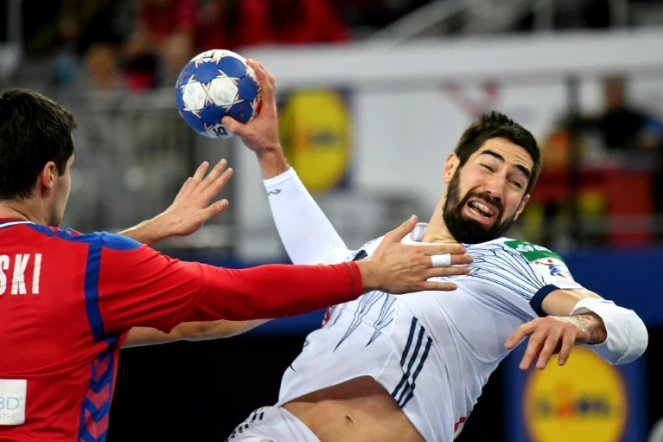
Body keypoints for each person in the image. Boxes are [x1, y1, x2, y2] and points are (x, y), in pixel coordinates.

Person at [136, 60, 647, 442]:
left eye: (516, 181)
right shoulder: (386, 249)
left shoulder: (517, 262)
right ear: (452, 168)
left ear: (524, 202)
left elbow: (630, 329)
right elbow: (320, 267)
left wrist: (579, 323)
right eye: (487, 166)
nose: (497, 186)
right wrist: (269, 152)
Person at [0, 88, 472, 441]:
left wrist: (148, 232)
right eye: (70, 170)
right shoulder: (92, 266)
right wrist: (366, 274)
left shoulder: (88, 269)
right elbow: (235, 294)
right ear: (49, 176)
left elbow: (56, 272)